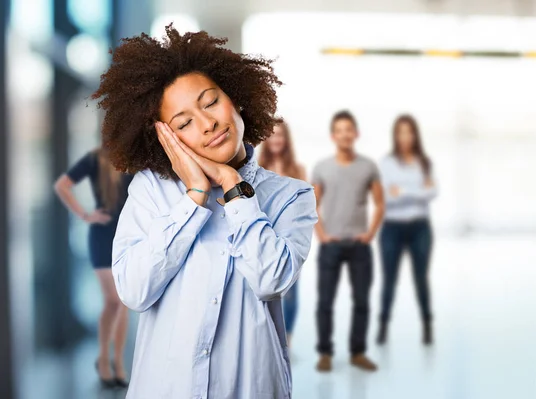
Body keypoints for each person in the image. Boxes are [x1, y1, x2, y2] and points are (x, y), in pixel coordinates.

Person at [91, 25, 317, 398]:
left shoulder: (291, 197)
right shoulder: (152, 191)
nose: (207, 123)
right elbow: (133, 291)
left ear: (237, 98)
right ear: (166, 137)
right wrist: (194, 196)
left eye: (211, 102)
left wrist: (233, 186)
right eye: (183, 123)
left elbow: (272, 279)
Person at [312, 110, 384, 372]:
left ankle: (357, 352)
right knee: (325, 302)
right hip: (331, 246)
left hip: (359, 246)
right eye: (339, 130)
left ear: (356, 134)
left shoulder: (368, 166)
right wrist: (322, 235)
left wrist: (369, 234)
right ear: (334, 136)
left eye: (349, 129)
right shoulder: (322, 167)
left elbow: (380, 203)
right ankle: (325, 354)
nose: (345, 134)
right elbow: (313, 205)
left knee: (362, 301)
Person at [54, 148, 133, 388]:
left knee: (122, 303)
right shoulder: (94, 159)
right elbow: (62, 186)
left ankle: (116, 362)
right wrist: (85, 215)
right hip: (102, 234)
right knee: (114, 301)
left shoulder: (134, 159)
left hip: (127, 236)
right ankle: (105, 359)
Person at [377, 114, 437, 346]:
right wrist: (418, 191)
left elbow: (433, 192)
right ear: (395, 135)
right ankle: (383, 326)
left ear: (415, 135)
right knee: (389, 279)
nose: (405, 137)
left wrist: (403, 192)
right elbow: (388, 198)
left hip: (420, 227)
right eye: (400, 132)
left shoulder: (424, 162)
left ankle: (427, 324)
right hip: (392, 227)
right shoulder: (387, 163)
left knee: (421, 278)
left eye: (409, 132)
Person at [258, 120, 307, 347]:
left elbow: (305, 207)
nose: (276, 139)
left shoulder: (297, 171)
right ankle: (267, 337)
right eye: (272, 135)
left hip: (288, 237)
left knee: (291, 292)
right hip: (263, 236)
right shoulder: (257, 168)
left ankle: (286, 339)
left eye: (280, 135)